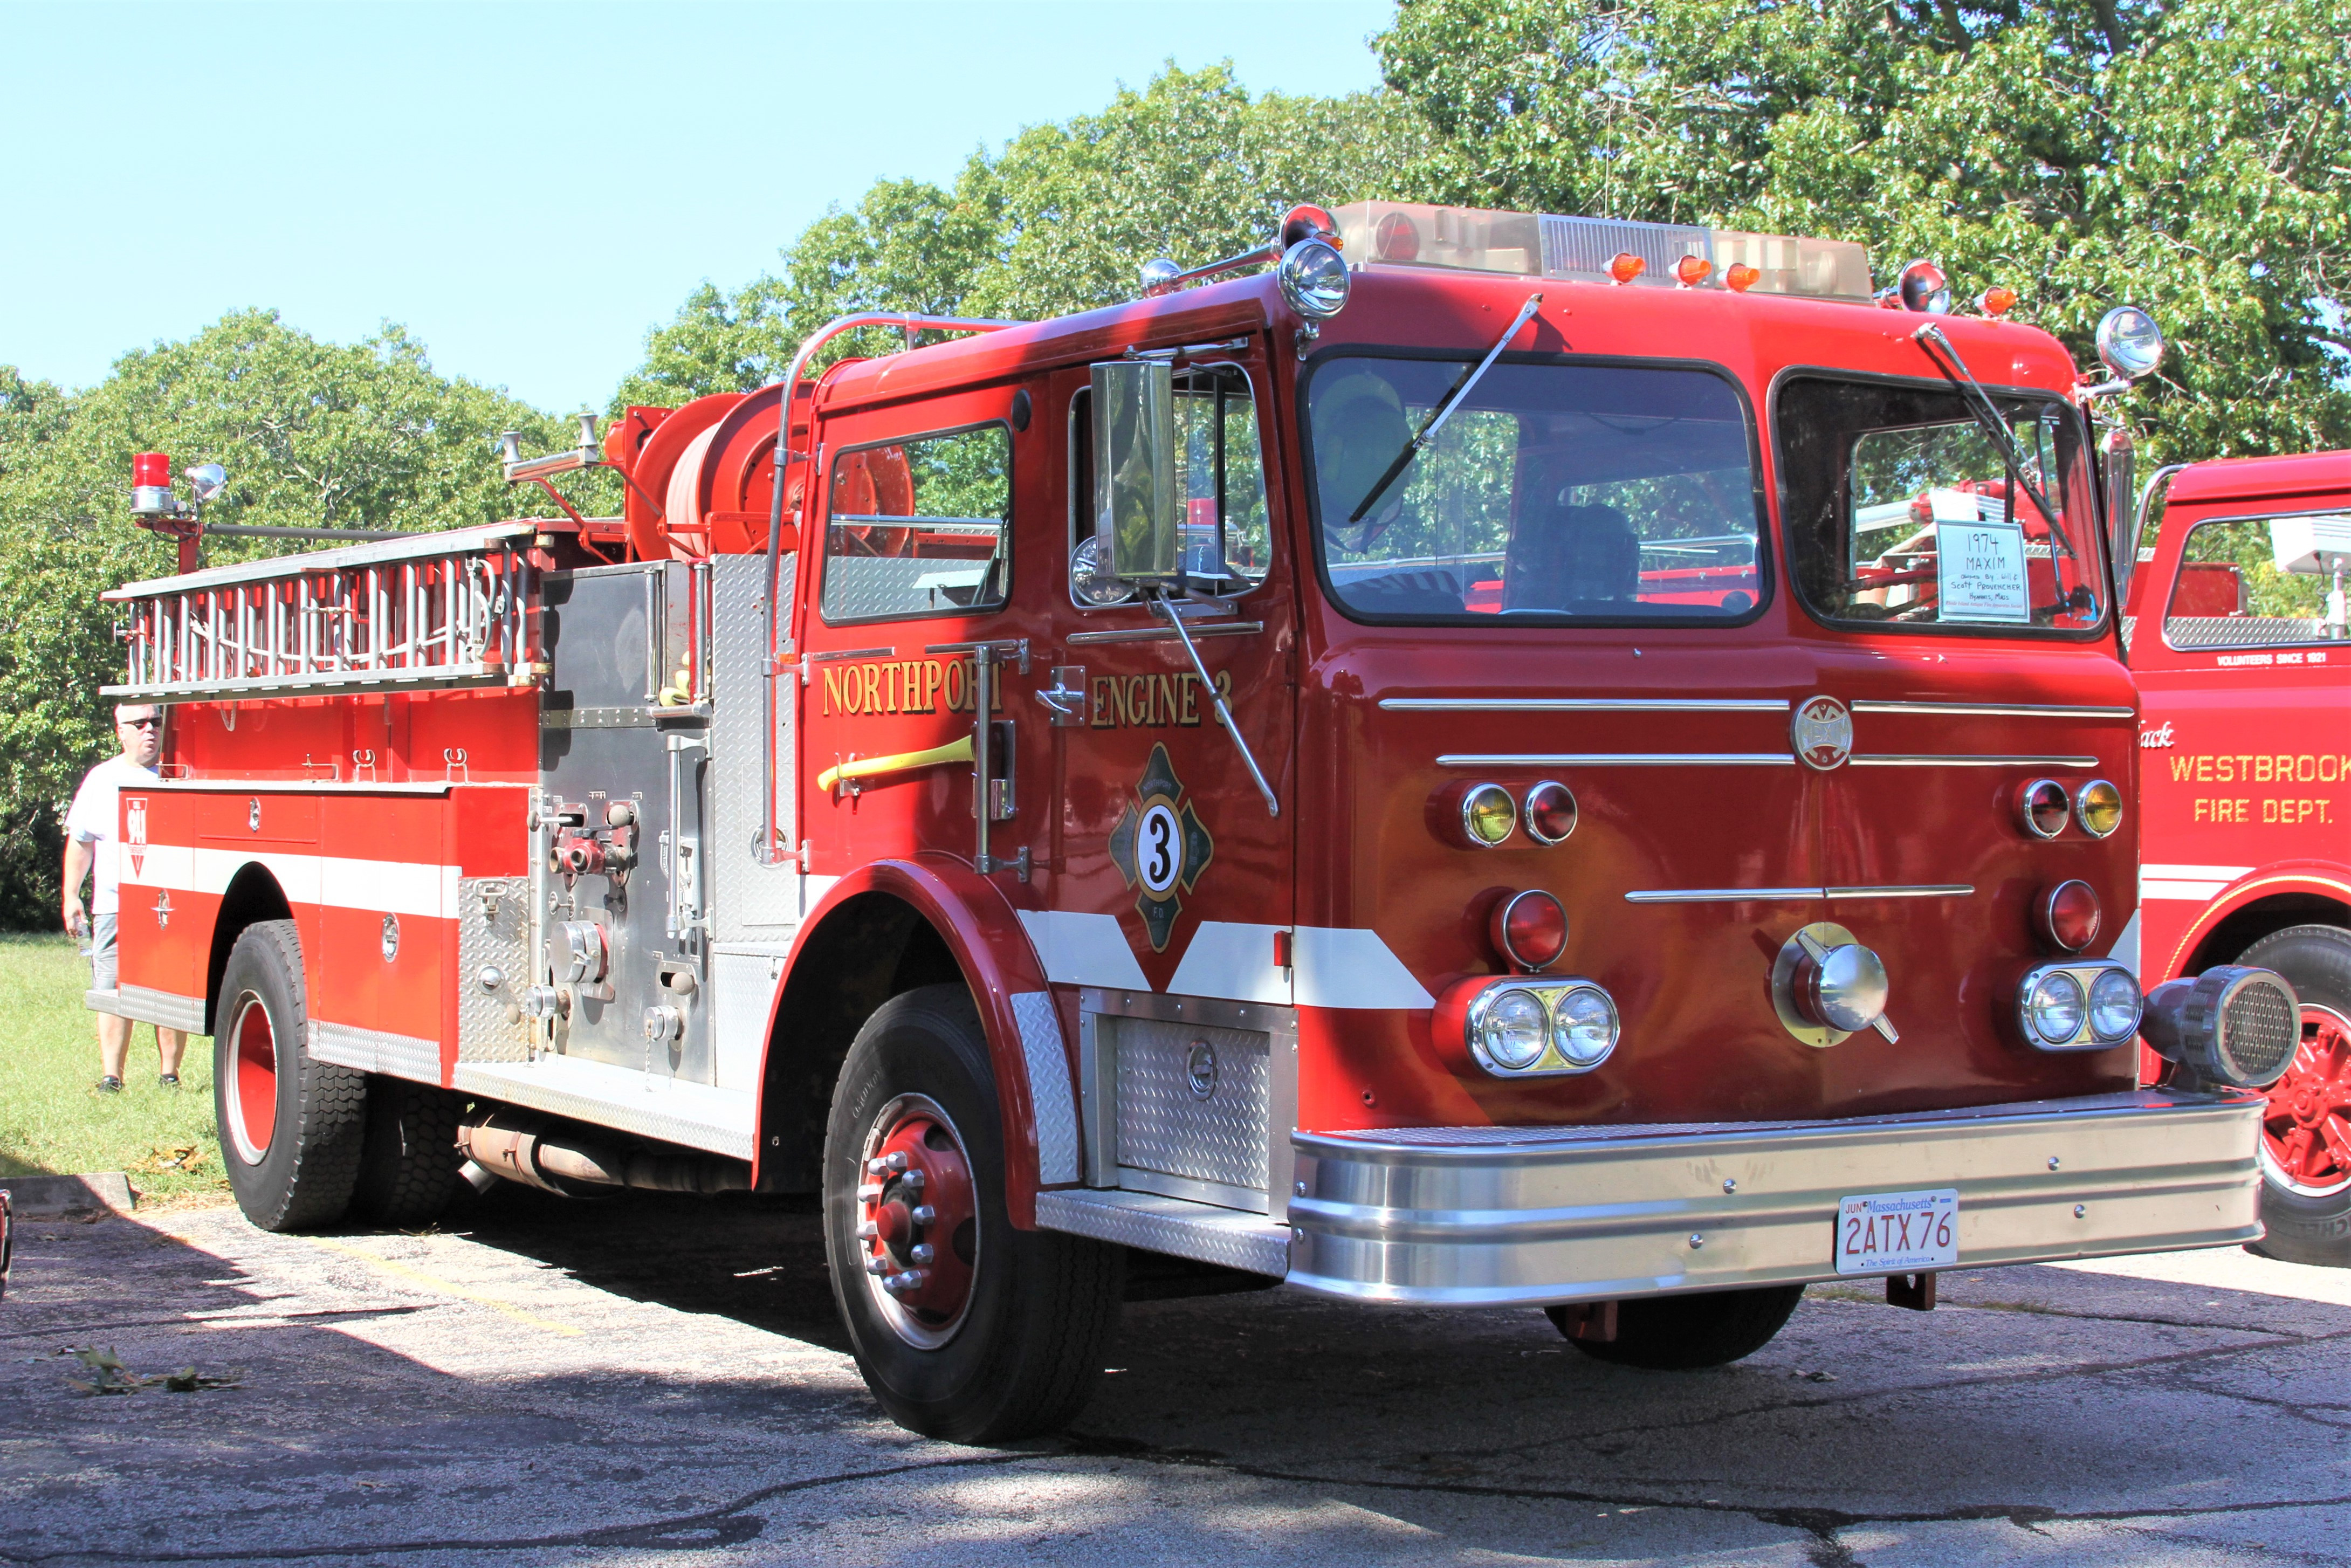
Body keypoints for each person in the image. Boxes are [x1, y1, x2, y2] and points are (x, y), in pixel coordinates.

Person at [62, 703, 187, 1094]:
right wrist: (71, 895)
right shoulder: (102, 779)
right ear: (120, 731)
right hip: (115, 903)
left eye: (157, 721)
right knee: (111, 987)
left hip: (169, 903)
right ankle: (112, 1077)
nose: (150, 729)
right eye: (140, 723)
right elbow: (81, 842)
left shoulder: (180, 774)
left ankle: (170, 1075)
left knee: (168, 988)